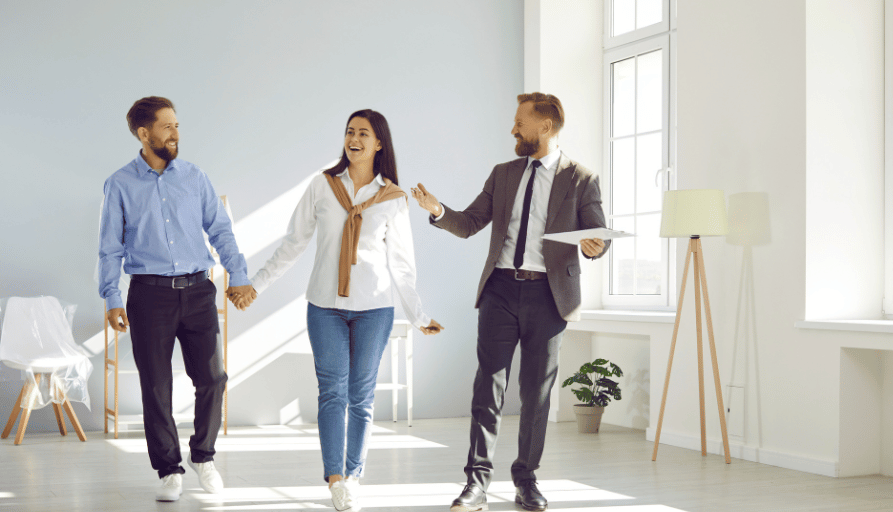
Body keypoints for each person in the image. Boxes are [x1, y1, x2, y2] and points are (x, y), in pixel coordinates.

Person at [229, 109, 443, 512]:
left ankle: (354, 476)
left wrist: (418, 315)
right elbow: (293, 243)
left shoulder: (394, 198)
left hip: (374, 309)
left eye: (363, 133)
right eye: (349, 132)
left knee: (361, 397)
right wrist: (255, 285)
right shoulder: (322, 186)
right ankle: (335, 479)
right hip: (325, 306)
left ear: (379, 143)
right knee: (332, 394)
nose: (354, 138)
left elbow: (402, 264)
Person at [410, 92, 610, 512]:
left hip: (549, 295)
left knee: (536, 393)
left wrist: (594, 247)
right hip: (500, 289)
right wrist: (437, 209)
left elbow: (596, 236)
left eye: (520, 121)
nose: (513, 128)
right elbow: (469, 224)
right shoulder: (503, 174)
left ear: (546, 126)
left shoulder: (581, 179)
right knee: (488, 386)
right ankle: (476, 484)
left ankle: (526, 480)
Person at [98, 96, 256, 502]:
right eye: (167, 127)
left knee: (213, 378)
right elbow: (109, 249)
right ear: (144, 133)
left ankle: (203, 457)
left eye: (177, 125)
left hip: (198, 291)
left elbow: (221, 231)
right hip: (148, 297)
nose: (175, 134)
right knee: (156, 386)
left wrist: (238, 276)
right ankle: (169, 469)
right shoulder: (119, 184)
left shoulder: (195, 178)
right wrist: (112, 297)